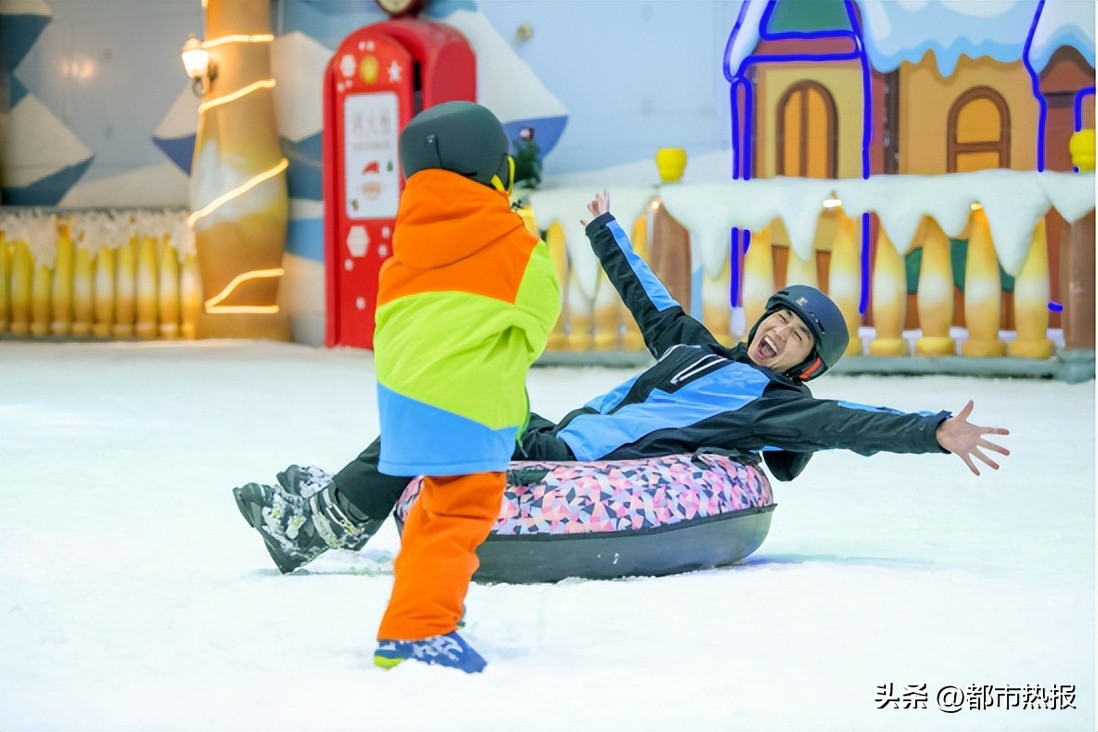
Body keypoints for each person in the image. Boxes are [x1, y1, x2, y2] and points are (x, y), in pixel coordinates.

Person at [234, 190, 1009, 644]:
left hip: (574, 467)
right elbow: (650, 296)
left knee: (448, 415)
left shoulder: (776, 407)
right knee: (446, 399)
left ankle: (318, 525)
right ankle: (337, 506)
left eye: (797, 338)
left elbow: (850, 423)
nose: (778, 335)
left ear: (804, 363)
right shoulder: (697, 347)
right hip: (553, 435)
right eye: (779, 319)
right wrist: (605, 231)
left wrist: (932, 429)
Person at [237, 101, 561, 673]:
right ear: (497, 172)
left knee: (434, 513)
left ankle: (432, 604)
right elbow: (538, 321)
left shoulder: (407, 249)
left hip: (402, 402)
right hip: (469, 405)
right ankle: (417, 629)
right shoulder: (515, 248)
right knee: (457, 518)